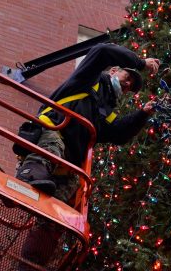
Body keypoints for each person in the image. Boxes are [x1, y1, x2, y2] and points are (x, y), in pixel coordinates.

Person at [15, 43, 160, 202]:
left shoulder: (108, 111)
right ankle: (26, 178)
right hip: (52, 130)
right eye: (128, 78)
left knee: (67, 192)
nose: (128, 84)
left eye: (131, 87)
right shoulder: (89, 78)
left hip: (70, 159)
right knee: (52, 147)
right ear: (113, 71)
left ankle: (49, 224)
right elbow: (103, 51)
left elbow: (119, 133)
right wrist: (140, 63)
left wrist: (142, 114)